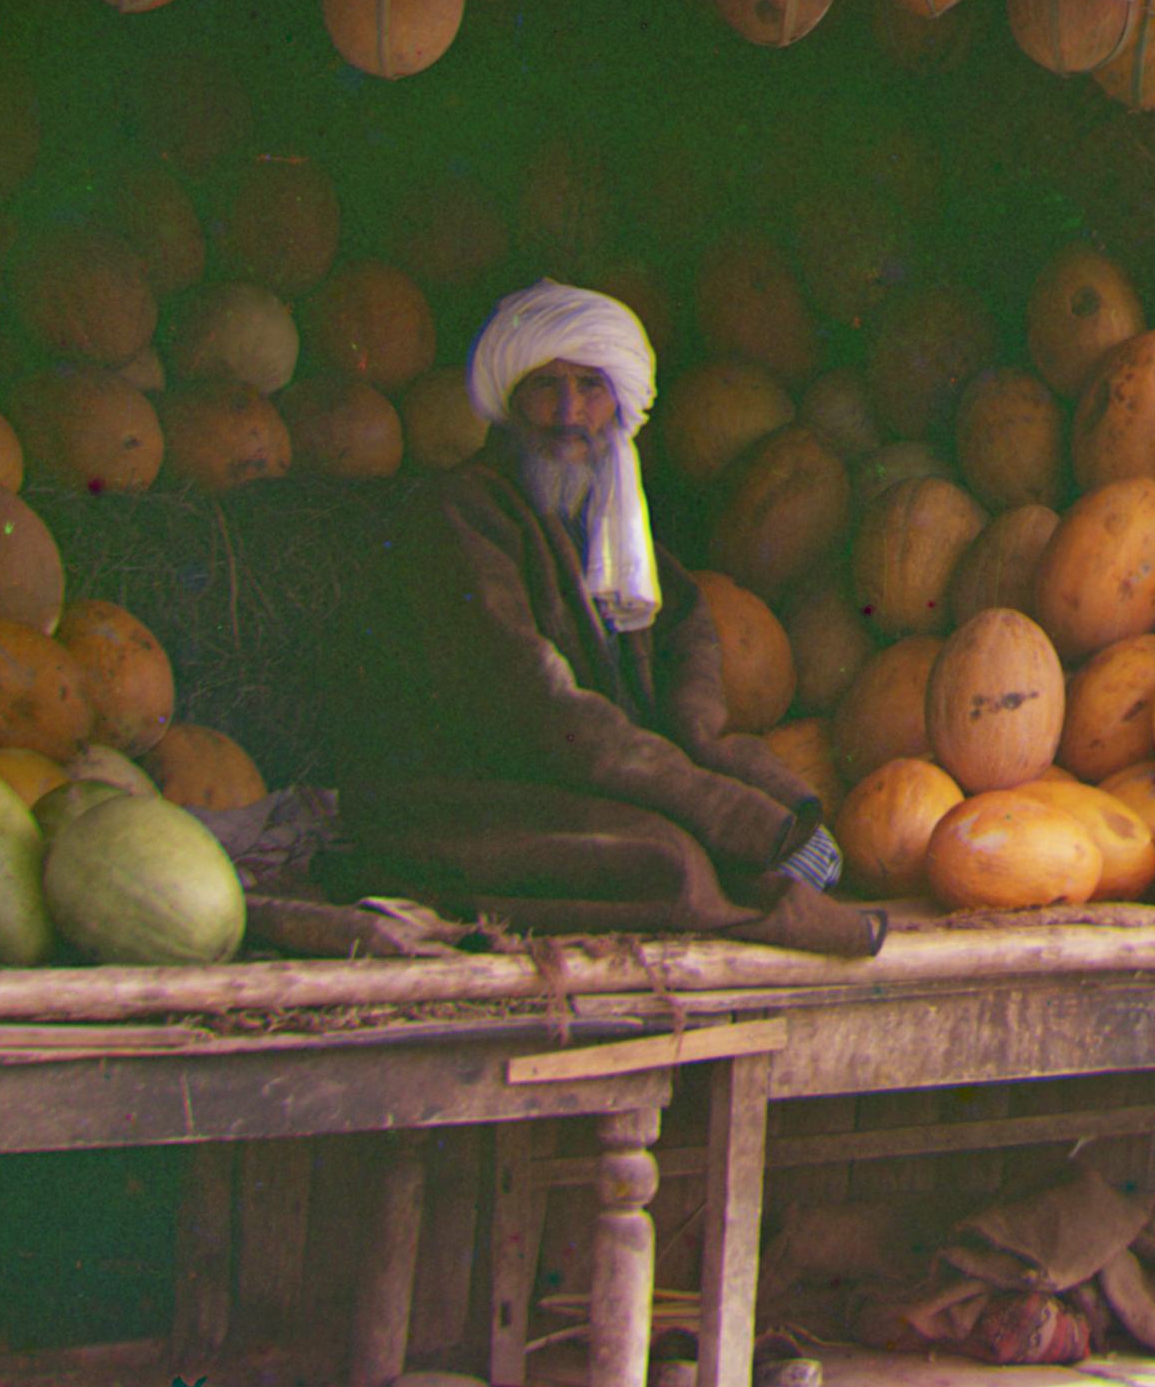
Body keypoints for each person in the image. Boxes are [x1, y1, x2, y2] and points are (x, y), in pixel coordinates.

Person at [327, 279, 878, 957]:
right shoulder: (463, 513)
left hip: (595, 776)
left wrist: (720, 765)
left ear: (618, 401)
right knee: (668, 858)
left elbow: (685, 629)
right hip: (471, 794)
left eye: (590, 387)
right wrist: (725, 811)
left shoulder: (611, 514)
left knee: (732, 830)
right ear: (507, 400)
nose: (567, 412)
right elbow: (542, 711)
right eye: (543, 386)